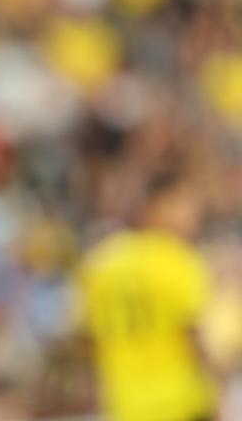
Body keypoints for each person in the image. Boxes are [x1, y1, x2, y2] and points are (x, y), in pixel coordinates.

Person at [77, 173, 220, 421]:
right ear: (156, 207)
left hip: (126, 405)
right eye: (185, 205)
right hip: (181, 401)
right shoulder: (178, 259)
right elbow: (191, 336)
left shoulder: (100, 261)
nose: (193, 215)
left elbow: (87, 337)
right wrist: (217, 388)